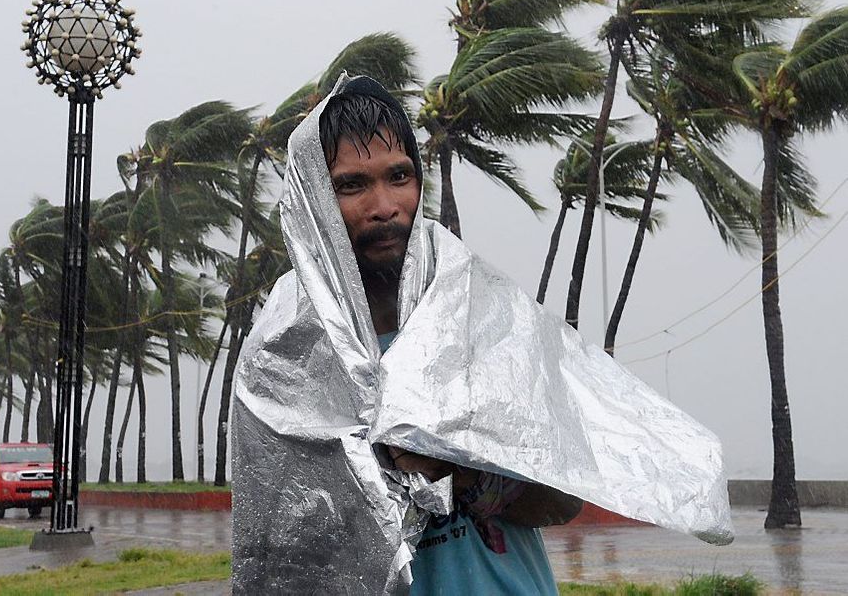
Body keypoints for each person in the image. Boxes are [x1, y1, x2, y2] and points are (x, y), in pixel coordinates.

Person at [230, 74, 731, 595]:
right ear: (313, 197)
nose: (384, 205)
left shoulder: (482, 316)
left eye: (399, 176)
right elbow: (280, 555)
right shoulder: (280, 359)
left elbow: (561, 501)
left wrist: (459, 467)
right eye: (351, 184)